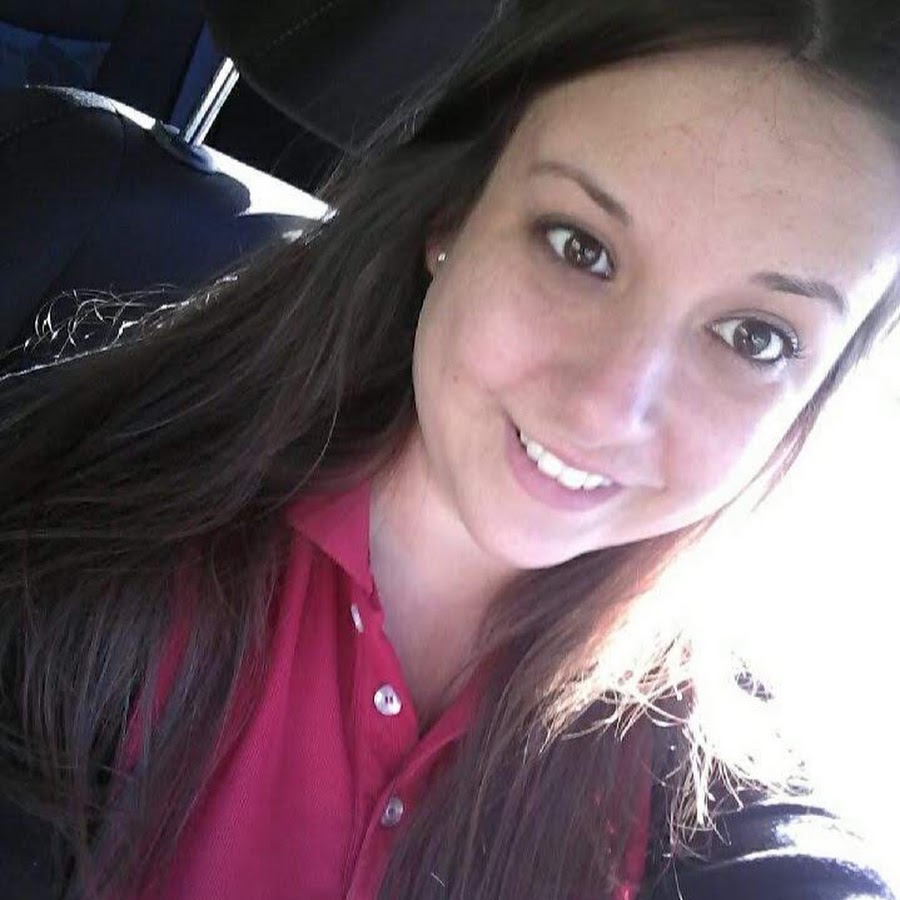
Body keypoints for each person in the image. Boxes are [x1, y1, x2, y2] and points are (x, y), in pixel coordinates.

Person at [0, 1, 897, 898]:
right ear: (454, 217)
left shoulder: (720, 804)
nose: (607, 408)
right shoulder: (64, 511)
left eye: (755, 338)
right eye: (579, 247)